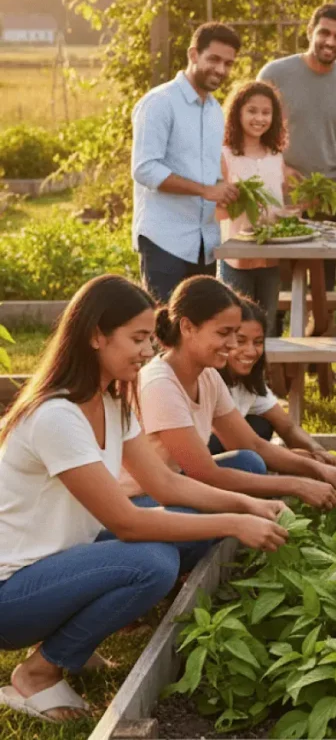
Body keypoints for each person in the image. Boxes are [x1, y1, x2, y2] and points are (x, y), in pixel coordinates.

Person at [0, 275, 287, 724]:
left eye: (151, 339)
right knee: (151, 561)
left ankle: (72, 643)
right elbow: (129, 522)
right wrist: (233, 522)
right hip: (11, 592)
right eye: (137, 339)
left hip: (59, 562)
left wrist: (245, 504)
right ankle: (36, 674)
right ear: (96, 335)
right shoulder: (57, 415)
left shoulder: (113, 401)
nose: (148, 351)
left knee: (177, 538)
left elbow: (167, 486)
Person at [119, 277, 336, 507]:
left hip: (177, 481)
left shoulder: (207, 375)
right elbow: (205, 474)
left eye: (234, 333)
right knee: (202, 510)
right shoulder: (160, 384)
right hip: (139, 498)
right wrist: (296, 485)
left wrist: (317, 467)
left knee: (248, 460)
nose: (232, 344)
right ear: (187, 327)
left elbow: (252, 443)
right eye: (223, 333)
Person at [257, 3, 336, 291]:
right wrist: (282, 169)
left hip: (325, 203)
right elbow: (255, 135)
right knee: (277, 286)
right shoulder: (275, 74)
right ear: (310, 32)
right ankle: (275, 335)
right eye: (324, 33)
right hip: (279, 198)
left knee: (323, 288)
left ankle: (322, 335)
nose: (331, 41)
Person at [131, 22, 241, 303]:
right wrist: (206, 190)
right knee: (165, 329)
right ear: (193, 54)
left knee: (200, 331)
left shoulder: (216, 110)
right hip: (164, 239)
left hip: (205, 240)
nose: (221, 69)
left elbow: (209, 171)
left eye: (228, 63)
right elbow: (145, 169)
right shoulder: (159, 102)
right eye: (214, 59)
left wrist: (226, 191)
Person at [216, 299, 336, 473]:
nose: (251, 351)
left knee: (261, 424)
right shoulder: (210, 379)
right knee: (252, 460)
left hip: (238, 450)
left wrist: (319, 451)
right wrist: (307, 464)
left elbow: (287, 427)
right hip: (198, 463)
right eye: (241, 341)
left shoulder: (249, 381)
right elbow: (252, 446)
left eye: (257, 342)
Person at [216, 80, 296, 331]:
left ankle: (265, 372)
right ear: (237, 113)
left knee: (267, 326)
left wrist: (291, 214)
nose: (259, 118)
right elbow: (217, 213)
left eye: (266, 112)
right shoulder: (225, 155)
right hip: (236, 260)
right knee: (235, 328)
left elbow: (279, 206)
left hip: (270, 260)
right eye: (252, 111)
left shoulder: (276, 157)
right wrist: (239, 200)